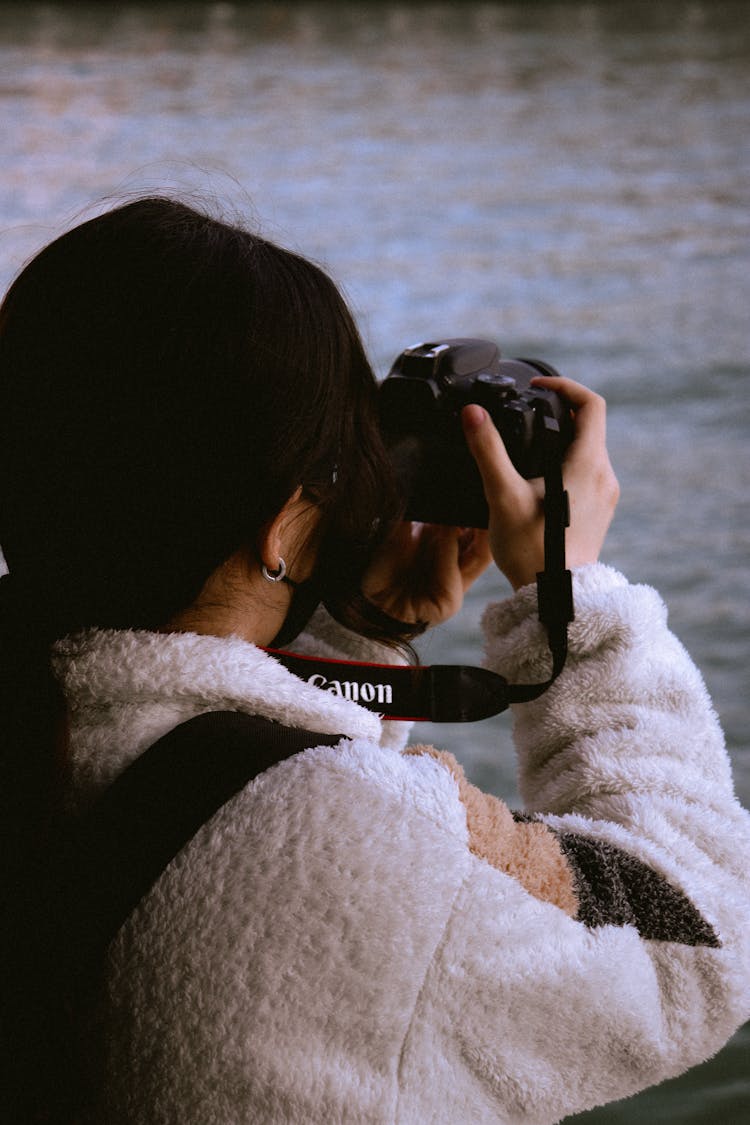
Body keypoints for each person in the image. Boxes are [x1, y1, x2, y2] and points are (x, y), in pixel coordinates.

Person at [0, 197, 748, 1125]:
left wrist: (362, 632)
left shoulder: (40, 726)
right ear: (280, 526)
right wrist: (574, 589)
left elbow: (181, 765)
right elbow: (699, 944)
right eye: (338, 470)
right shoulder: (339, 839)